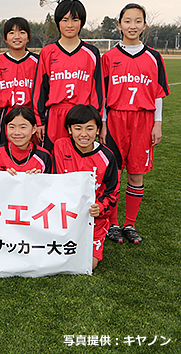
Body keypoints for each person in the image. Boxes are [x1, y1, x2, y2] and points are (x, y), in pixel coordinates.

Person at [100, 3, 169, 244]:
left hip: (143, 120)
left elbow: (158, 93)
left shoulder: (154, 57)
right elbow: (102, 95)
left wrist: (157, 123)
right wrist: (103, 123)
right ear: (119, 24)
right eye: (127, 21)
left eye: (137, 21)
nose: (132, 26)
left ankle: (130, 224)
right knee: (114, 174)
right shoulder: (108, 58)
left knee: (136, 174)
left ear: (144, 25)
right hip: (115, 119)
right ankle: (112, 223)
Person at [52, 105, 119, 270]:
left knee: (88, 264)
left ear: (98, 130)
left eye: (89, 128)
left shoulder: (107, 156)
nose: (83, 134)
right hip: (62, 216)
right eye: (78, 128)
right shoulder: (60, 146)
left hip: (93, 219)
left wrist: (100, 207)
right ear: (69, 129)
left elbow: (112, 192)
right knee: (50, 256)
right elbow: (49, 179)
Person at [32, 0, 103, 151]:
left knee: (80, 158)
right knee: (53, 158)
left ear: (81, 22)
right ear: (58, 22)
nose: (70, 25)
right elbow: (40, 89)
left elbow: (97, 90)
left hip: (82, 116)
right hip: (55, 115)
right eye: (65, 20)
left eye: (75, 20)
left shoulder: (92, 53)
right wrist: (39, 121)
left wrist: (95, 120)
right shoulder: (47, 52)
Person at [0, 17, 39, 147]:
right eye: (12, 32)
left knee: (31, 150)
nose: (17, 36)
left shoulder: (38, 62)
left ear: (28, 38)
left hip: (30, 113)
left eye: (22, 32)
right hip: (4, 114)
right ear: (5, 38)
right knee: (3, 151)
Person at [0, 106, 52, 174]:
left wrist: (39, 177)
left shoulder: (44, 156)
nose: (17, 132)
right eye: (12, 127)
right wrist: (4, 176)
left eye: (23, 127)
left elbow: (50, 180)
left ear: (34, 129)